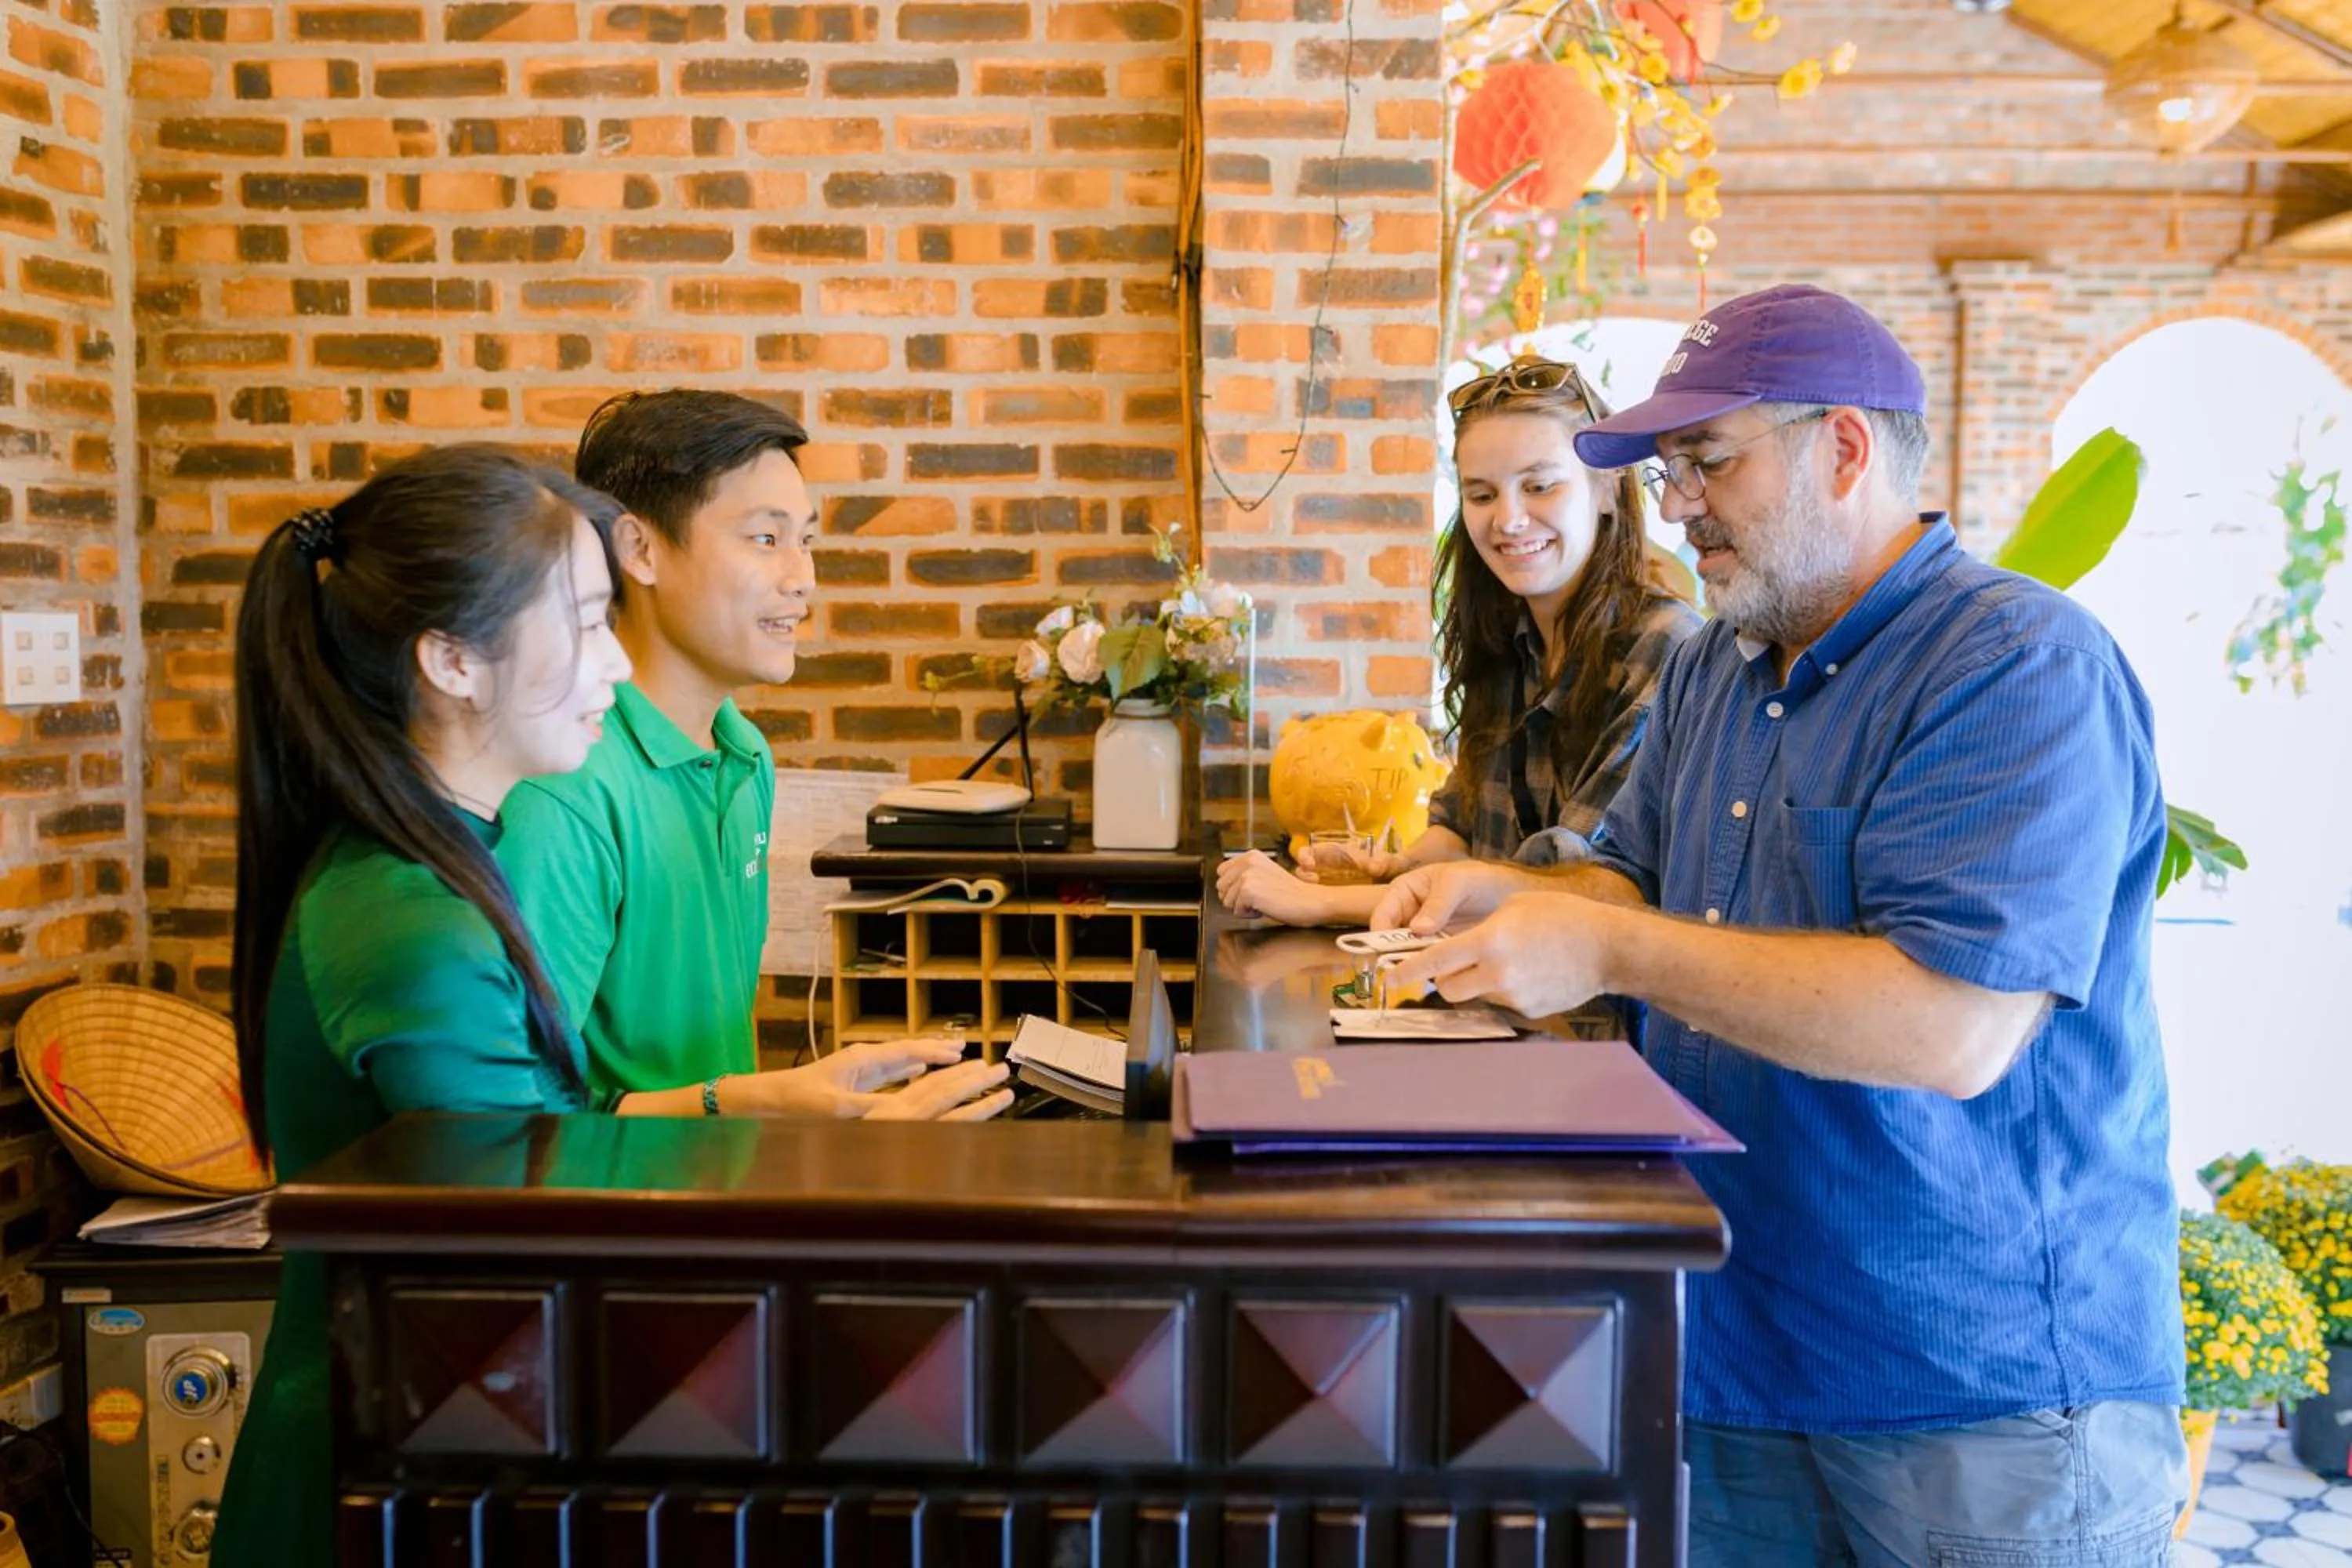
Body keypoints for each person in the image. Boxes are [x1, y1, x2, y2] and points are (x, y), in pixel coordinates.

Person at [1377, 285, 2187, 1566]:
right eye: (1670, 468)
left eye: (1708, 462)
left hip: (1985, 1403)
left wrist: (1600, 947)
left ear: (1846, 449)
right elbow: (1629, 885)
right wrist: (1516, 896)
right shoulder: (1713, 666)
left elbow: (1952, 1025)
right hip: (1734, 1352)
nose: (1677, 500)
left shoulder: (2017, 665)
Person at [215, 446, 1008, 1568]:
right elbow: (521, 1248)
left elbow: (528, 1149)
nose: (617, 668)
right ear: (450, 660)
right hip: (381, 1480)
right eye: (588, 624)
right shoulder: (417, 925)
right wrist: (840, 1180)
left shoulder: (441, 863)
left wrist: (773, 1102)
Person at [1215, 355, 1697, 929]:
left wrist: (1321, 903)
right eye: (1483, 494)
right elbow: (1464, 828)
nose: (1509, 520)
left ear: (1608, 491)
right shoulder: (1509, 637)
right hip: (1492, 990)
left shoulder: (1665, 646)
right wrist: (1394, 869)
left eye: (1539, 486)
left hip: (1595, 1014)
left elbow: (1584, 886)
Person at [497, 390, 862, 1107]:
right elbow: (522, 1120)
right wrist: (760, 1103)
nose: (802, 578)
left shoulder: (746, 754)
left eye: (806, 541)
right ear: (639, 549)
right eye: (766, 539)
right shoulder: (564, 790)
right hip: (618, 1211)